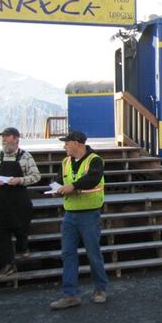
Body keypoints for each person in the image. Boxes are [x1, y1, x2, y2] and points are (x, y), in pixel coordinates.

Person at [49, 130, 109, 310]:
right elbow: (58, 180)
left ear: (76, 143)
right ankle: (70, 295)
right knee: (68, 253)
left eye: (66, 143)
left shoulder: (95, 160)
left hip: (89, 214)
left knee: (93, 252)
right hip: (70, 214)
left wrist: (72, 186)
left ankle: (100, 289)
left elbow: (93, 179)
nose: (64, 146)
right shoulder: (66, 161)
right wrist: (54, 189)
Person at [0, 127, 41, 279]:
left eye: (7, 137)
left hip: (19, 200)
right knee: (2, 232)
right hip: (1, 201)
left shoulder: (25, 156)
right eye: (3, 137)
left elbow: (36, 176)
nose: (4, 139)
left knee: (20, 228)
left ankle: (22, 249)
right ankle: (6, 264)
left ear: (16, 139)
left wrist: (20, 180)